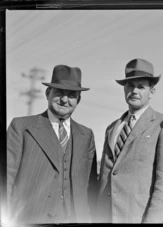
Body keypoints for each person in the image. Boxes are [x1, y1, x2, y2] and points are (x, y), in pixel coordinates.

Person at [7, 65, 98, 224]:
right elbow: (5, 179)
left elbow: (91, 187)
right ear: (48, 93)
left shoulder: (86, 135)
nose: (64, 100)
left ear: (78, 99)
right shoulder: (21, 127)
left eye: (71, 95)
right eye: (59, 93)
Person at [96, 58, 163, 223]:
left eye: (141, 86)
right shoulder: (113, 128)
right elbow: (106, 177)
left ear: (152, 92)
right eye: (129, 85)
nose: (134, 91)